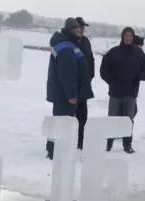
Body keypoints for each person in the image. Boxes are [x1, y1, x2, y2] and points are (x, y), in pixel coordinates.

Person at [45, 18, 94, 160]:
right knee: (62, 122)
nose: (80, 32)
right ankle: (54, 151)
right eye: (78, 30)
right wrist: (72, 94)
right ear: (70, 30)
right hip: (65, 95)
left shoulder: (69, 45)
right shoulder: (66, 48)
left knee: (62, 121)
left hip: (64, 93)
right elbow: (68, 74)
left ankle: (58, 149)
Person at [100, 27, 145, 154]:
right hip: (115, 92)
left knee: (128, 120)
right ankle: (108, 143)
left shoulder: (138, 54)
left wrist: (140, 77)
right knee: (112, 119)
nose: (128, 38)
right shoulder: (114, 52)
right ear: (122, 37)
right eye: (126, 36)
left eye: (130, 36)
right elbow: (103, 69)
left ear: (133, 37)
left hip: (131, 92)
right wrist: (111, 81)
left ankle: (127, 144)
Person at [75, 17, 95, 150]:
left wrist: (90, 76)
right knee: (71, 115)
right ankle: (71, 140)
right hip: (73, 85)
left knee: (83, 115)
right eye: (80, 26)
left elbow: (90, 59)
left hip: (84, 85)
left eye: (83, 27)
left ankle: (81, 141)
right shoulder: (71, 41)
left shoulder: (86, 41)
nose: (82, 29)